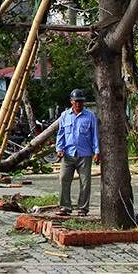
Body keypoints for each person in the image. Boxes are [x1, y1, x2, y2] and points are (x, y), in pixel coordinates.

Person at [55, 89, 100, 217]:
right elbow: (61, 134)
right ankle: (65, 207)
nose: (79, 104)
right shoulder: (64, 116)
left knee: (85, 182)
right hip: (68, 154)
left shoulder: (90, 116)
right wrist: (59, 148)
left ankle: (83, 208)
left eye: (81, 102)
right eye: (76, 102)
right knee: (64, 179)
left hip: (85, 154)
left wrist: (97, 151)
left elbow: (95, 135)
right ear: (71, 102)